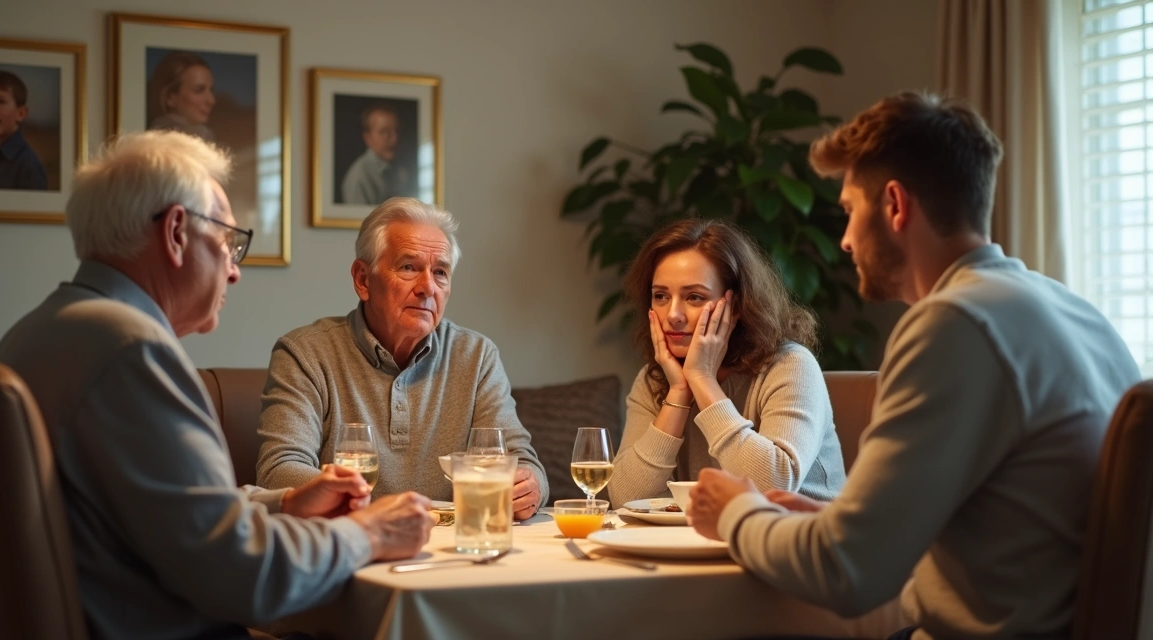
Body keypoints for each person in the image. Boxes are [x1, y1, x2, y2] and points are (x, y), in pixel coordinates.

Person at [687, 92, 1142, 640]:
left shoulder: (953, 324)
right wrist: (830, 521)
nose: (847, 240)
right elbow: (1009, 524)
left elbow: (847, 573)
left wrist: (734, 513)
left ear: (896, 206)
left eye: (852, 210)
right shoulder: (1070, 310)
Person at [0, 130, 434, 640]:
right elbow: (243, 578)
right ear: (176, 232)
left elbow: (161, 517)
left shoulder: (41, 331)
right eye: (227, 242)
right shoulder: (131, 351)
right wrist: (366, 533)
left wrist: (283, 504)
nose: (234, 271)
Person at [257, 196, 549, 520]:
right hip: (353, 549)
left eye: (440, 272)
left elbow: (521, 460)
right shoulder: (304, 354)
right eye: (409, 267)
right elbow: (279, 472)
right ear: (363, 280)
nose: (428, 288)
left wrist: (529, 485)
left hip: (453, 552)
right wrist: (376, 510)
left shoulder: (477, 357)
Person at [607, 219, 846, 509]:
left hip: (801, 543)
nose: (673, 314)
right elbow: (624, 498)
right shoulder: (657, 379)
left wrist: (703, 380)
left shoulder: (791, 365)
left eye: (694, 297)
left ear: (735, 306)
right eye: (661, 296)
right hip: (704, 544)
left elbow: (772, 486)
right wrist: (679, 394)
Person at [338, 104, 409, 204]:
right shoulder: (359, 177)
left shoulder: (401, 170)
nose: (394, 138)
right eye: (384, 132)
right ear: (367, 137)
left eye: (397, 130)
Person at [147, 50, 216, 142]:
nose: (211, 100)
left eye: (211, 90)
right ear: (170, 97)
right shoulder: (162, 144)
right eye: (198, 90)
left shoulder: (202, 137)